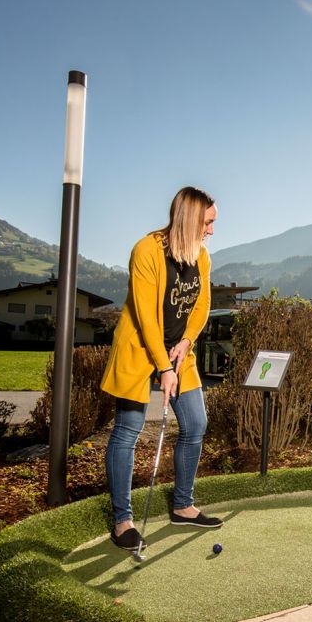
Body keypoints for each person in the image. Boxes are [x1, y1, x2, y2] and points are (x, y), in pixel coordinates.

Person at [100, 186, 222, 551]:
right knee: (128, 430)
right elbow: (145, 316)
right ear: (189, 219)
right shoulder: (146, 251)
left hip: (179, 352)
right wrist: (163, 366)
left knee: (196, 423)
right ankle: (123, 522)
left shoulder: (201, 256)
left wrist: (185, 345)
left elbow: (201, 308)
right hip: (140, 347)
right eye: (209, 222)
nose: (213, 230)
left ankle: (183, 506)